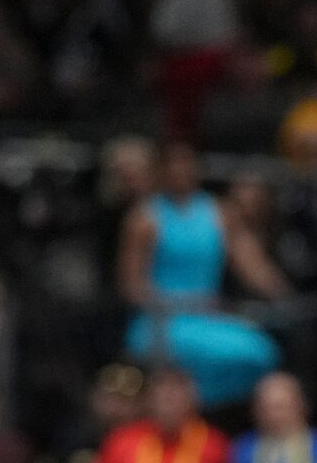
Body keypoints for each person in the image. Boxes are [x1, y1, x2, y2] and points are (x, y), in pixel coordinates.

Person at [117, 140, 286, 407]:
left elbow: (252, 264)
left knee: (260, 353)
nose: (180, 171)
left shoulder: (219, 212)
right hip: (161, 321)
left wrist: (284, 295)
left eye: (186, 163)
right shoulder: (144, 218)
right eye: (173, 164)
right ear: (161, 170)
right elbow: (131, 286)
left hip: (207, 320)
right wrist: (175, 303)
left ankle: (198, 408)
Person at [88, 365, 231, 463]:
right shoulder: (122, 440)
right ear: (149, 402)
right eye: (162, 398)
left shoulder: (215, 446)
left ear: (193, 401)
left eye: (174, 398)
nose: (167, 406)